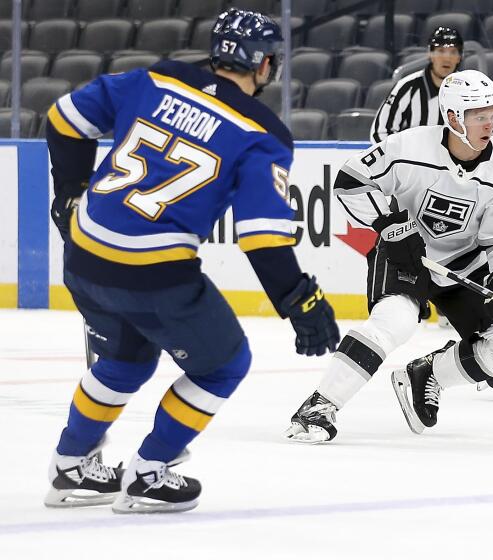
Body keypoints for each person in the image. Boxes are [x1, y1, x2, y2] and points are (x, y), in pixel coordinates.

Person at [43, 8, 340, 513]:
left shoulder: (156, 76)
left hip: (84, 253)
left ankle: (71, 466)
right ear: (264, 64)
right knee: (225, 365)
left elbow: (62, 120)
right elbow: (262, 238)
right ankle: (150, 473)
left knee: (124, 358)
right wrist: (301, 301)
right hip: (154, 274)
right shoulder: (263, 133)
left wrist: (70, 190)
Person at [285, 70, 493, 443]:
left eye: (492, 112)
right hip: (404, 257)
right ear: (452, 117)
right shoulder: (409, 147)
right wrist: (387, 225)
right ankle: (320, 405)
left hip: (462, 267)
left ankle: (428, 373)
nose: (489, 122)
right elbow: (350, 183)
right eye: (478, 115)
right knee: (394, 322)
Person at [370, 26, 463, 143]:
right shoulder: (407, 87)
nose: (447, 58)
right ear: (430, 54)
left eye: (453, 52)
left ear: (460, 57)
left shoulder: (468, 89)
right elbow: (380, 132)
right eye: (441, 51)